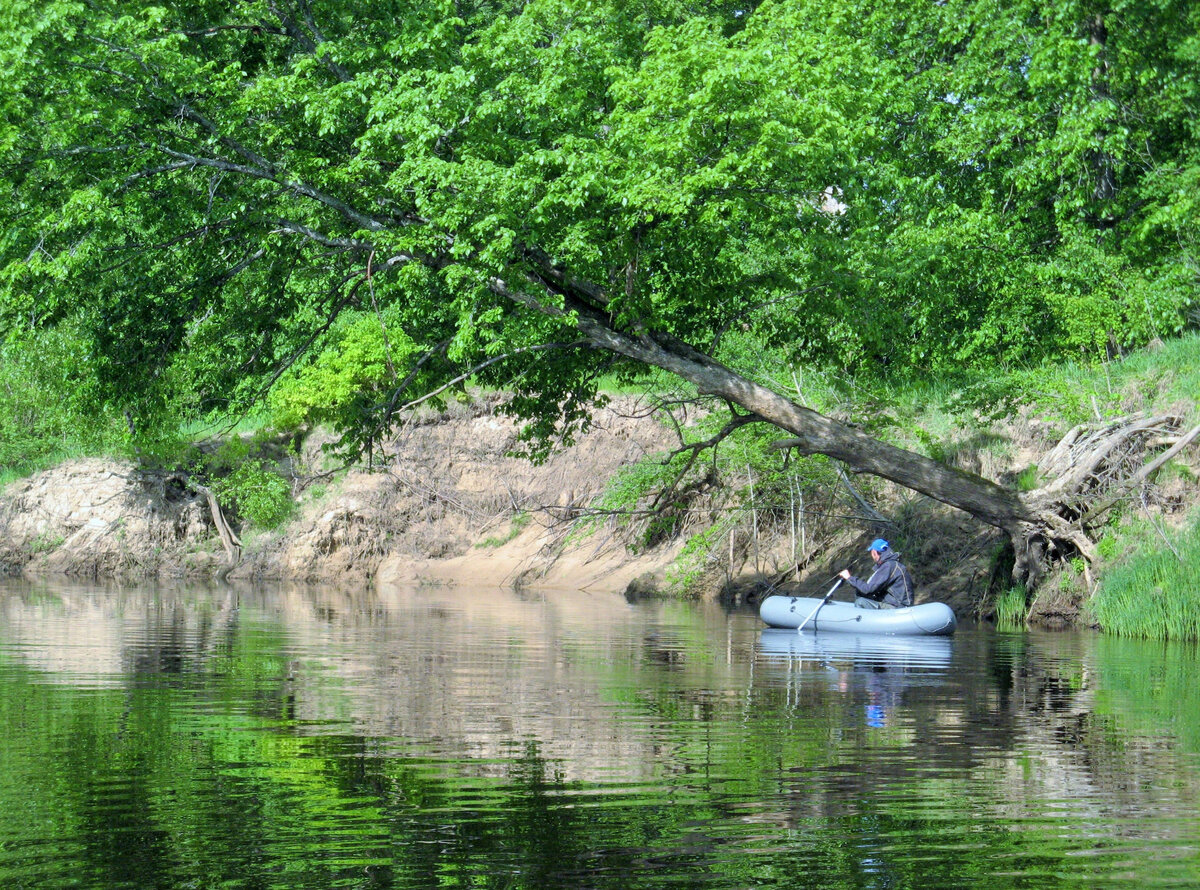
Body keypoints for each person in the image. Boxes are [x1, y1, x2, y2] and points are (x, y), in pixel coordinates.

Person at [838, 538, 914, 609]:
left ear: (874, 552)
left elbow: (868, 589)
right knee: (860, 594)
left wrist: (849, 578)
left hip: (899, 607)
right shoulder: (891, 564)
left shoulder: (888, 566)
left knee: (861, 602)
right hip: (895, 603)